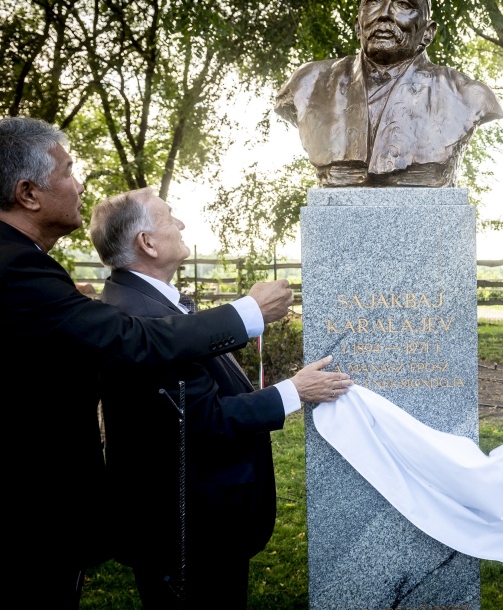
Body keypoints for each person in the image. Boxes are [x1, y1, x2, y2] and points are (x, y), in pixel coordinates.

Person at [0, 116, 291, 607]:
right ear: (28, 193)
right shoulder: (15, 268)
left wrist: (73, 315)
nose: (79, 184)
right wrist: (251, 314)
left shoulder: (35, 274)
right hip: (39, 521)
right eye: (68, 171)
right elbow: (137, 345)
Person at [89, 188, 352, 609]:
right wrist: (295, 391)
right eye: (169, 216)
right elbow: (204, 420)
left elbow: (193, 361)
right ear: (148, 243)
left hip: (189, 519)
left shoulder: (142, 300)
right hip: (189, 526)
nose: (181, 223)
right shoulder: (143, 315)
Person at [274, 0, 503, 188]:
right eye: (373, 1)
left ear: (428, 32)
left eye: (403, 4)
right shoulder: (309, 84)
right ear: (357, 24)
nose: (384, 14)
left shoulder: (466, 97)